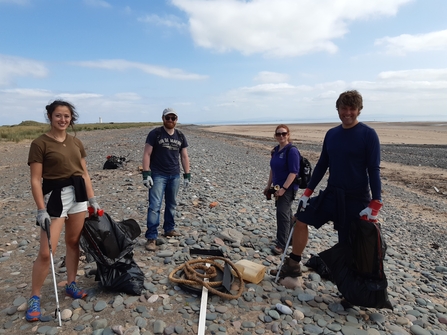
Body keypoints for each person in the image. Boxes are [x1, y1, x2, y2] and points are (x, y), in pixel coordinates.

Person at [273, 90, 382, 279]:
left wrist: (375, 203)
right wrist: (308, 191)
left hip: (356, 197)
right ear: (337, 109)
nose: (347, 113)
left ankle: (351, 287)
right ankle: (293, 265)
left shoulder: (368, 135)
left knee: (350, 242)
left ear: (359, 110)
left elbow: (374, 169)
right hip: (332, 193)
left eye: (352, 109)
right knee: (301, 219)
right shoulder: (332, 134)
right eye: (343, 108)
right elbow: (323, 164)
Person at [26, 100, 101, 322]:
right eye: (58, 115)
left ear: (71, 118)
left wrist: (92, 199)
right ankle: (35, 297)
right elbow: (35, 180)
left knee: (73, 243)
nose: (63, 120)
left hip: (78, 196)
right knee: (46, 250)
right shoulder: (40, 143)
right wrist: (41, 210)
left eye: (66, 116)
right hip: (56, 197)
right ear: (50, 116)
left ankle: (71, 284)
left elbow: (84, 173)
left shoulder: (76, 142)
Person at [142, 108, 190, 251]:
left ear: (176, 120)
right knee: (154, 206)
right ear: (163, 118)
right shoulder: (155, 133)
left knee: (172, 204)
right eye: (168, 118)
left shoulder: (180, 135)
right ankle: (151, 237)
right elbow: (147, 154)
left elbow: (184, 156)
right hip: (158, 175)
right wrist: (146, 174)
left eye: (173, 118)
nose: (170, 120)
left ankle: (169, 228)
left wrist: (187, 174)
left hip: (174, 175)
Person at [263, 125, 300, 255]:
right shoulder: (275, 151)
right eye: (278, 134)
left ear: (288, 135)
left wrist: (284, 189)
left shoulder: (292, 151)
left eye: (284, 134)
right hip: (277, 187)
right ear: (275, 136)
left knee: (282, 214)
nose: (281, 136)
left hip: (288, 188)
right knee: (286, 213)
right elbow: (273, 170)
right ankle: (290, 239)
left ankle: (281, 244)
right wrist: (269, 186)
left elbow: (293, 172)